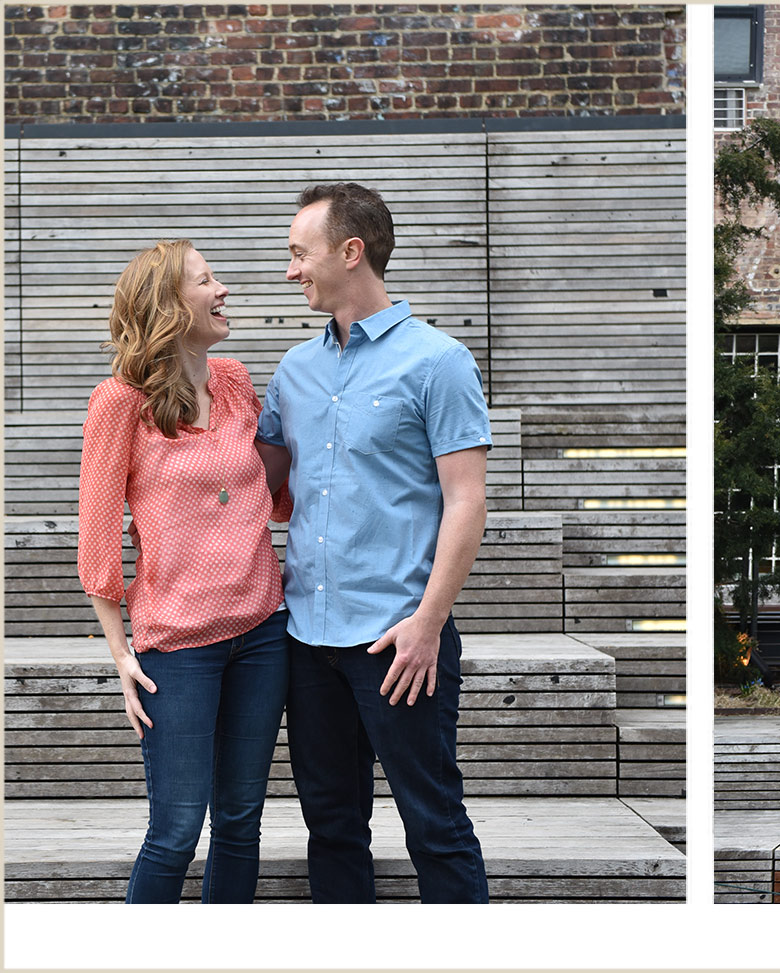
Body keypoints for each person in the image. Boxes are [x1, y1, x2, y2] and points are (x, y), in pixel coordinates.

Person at [255, 182, 492, 903]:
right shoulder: (294, 372)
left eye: (301, 254)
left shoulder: (438, 361)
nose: (291, 270)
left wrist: (427, 624)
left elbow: (466, 499)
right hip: (307, 641)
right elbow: (248, 485)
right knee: (330, 826)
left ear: (350, 252)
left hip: (400, 641)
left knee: (435, 824)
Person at [78, 240, 292, 903]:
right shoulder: (120, 402)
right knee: (174, 828)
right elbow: (95, 533)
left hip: (263, 631)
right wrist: (120, 653)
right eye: (207, 280)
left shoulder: (232, 379)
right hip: (177, 647)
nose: (223, 289)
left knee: (239, 821)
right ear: (170, 306)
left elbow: (272, 490)